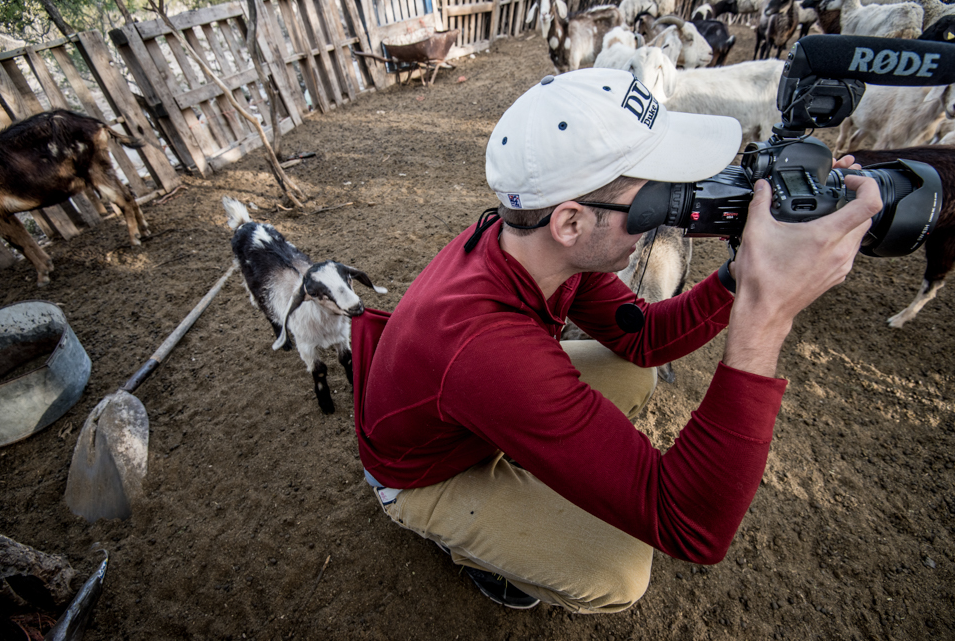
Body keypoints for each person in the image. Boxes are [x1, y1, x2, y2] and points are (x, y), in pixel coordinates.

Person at [349, 68, 881, 613]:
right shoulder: (489, 351)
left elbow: (646, 336)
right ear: (571, 222)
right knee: (619, 574)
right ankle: (471, 549)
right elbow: (691, 526)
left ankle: (522, 457)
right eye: (654, 200)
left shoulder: (535, 247)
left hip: (474, 408)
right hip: (424, 473)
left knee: (634, 370)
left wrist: (742, 273)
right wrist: (765, 313)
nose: (668, 217)